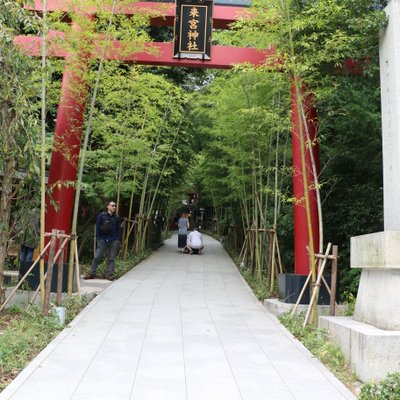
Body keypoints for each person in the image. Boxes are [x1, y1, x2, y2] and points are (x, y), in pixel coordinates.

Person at [85, 200, 122, 280]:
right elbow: (97, 227)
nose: (114, 207)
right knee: (97, 257)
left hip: (113, 240)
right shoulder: (102, 216)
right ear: (108, 206)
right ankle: (92, 273)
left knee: (111, 259)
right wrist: (99, 239)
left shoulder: (117, 217)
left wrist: (117, 239)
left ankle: (109, 274)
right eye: (112, 205)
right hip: (103, 240)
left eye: (115, 206)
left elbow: (118, 229)